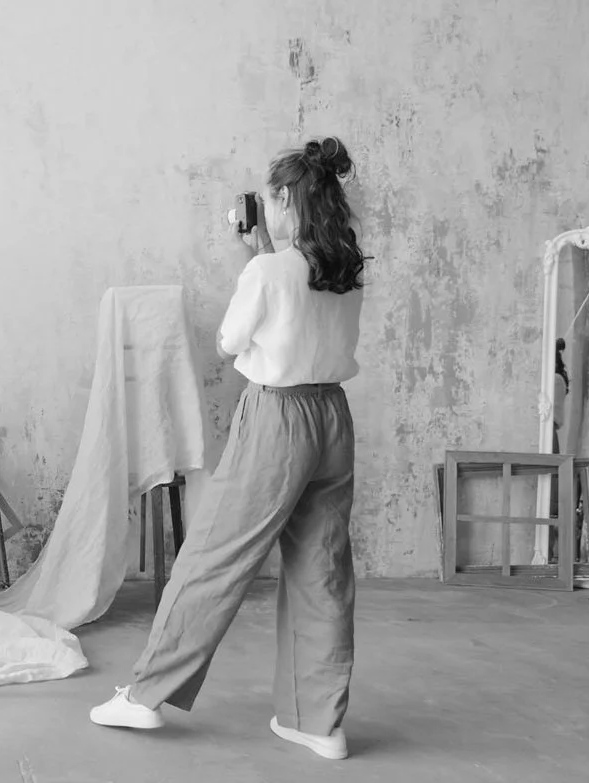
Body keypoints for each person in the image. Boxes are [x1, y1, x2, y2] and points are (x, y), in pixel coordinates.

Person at [89, 137, 367, 761]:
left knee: (213, 556)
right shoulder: (345, 269)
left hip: (277, 418)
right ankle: (319, 722)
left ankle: (146, 696)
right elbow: (300, 313)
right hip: (332, 417)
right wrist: (264, 255)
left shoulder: (267, 272)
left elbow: (228, 342)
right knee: (322, 568)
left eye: (272, 198)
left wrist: (256, 266)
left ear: (287, 199)